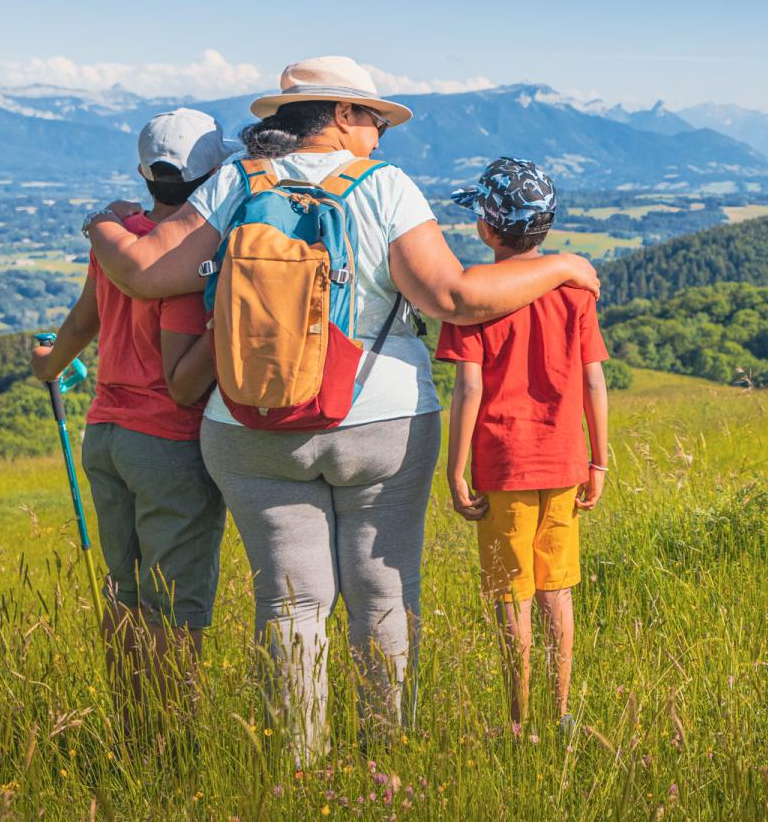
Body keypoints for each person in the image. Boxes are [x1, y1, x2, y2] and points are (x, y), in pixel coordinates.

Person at [80, 56, 600, 764]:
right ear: (343, 116)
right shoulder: (385, 187)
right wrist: (567, 266)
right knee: (381, 593)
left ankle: (297, 768)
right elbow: (454, 298)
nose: (381, 135)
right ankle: (384, 760)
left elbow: (144, 272)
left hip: (250, 425)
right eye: (374, 119)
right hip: (380, 419)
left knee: (290, 606)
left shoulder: (237, 181)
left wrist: (101, 227)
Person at [30, 108, 234, 736]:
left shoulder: (123, 241)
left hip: (107, 437)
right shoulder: (186, 257)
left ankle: (135, 727)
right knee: (177, 606)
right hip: (166, 441)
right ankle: (173, 741)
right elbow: (188, 366)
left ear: (145, 175)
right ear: (215, 175)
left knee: (125, 594)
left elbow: (86, 318)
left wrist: (50, 363)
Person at [436, 158, 609, 738]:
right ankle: (559, 715)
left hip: (502, 463)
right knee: (556, 591)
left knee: (511, 596)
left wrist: (455, 469)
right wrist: (599, 459)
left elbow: (468, 386)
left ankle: (516, 721)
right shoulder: (574, 293)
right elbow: (592, 380)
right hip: (563, 461)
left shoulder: (474, 296)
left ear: (487, 227)